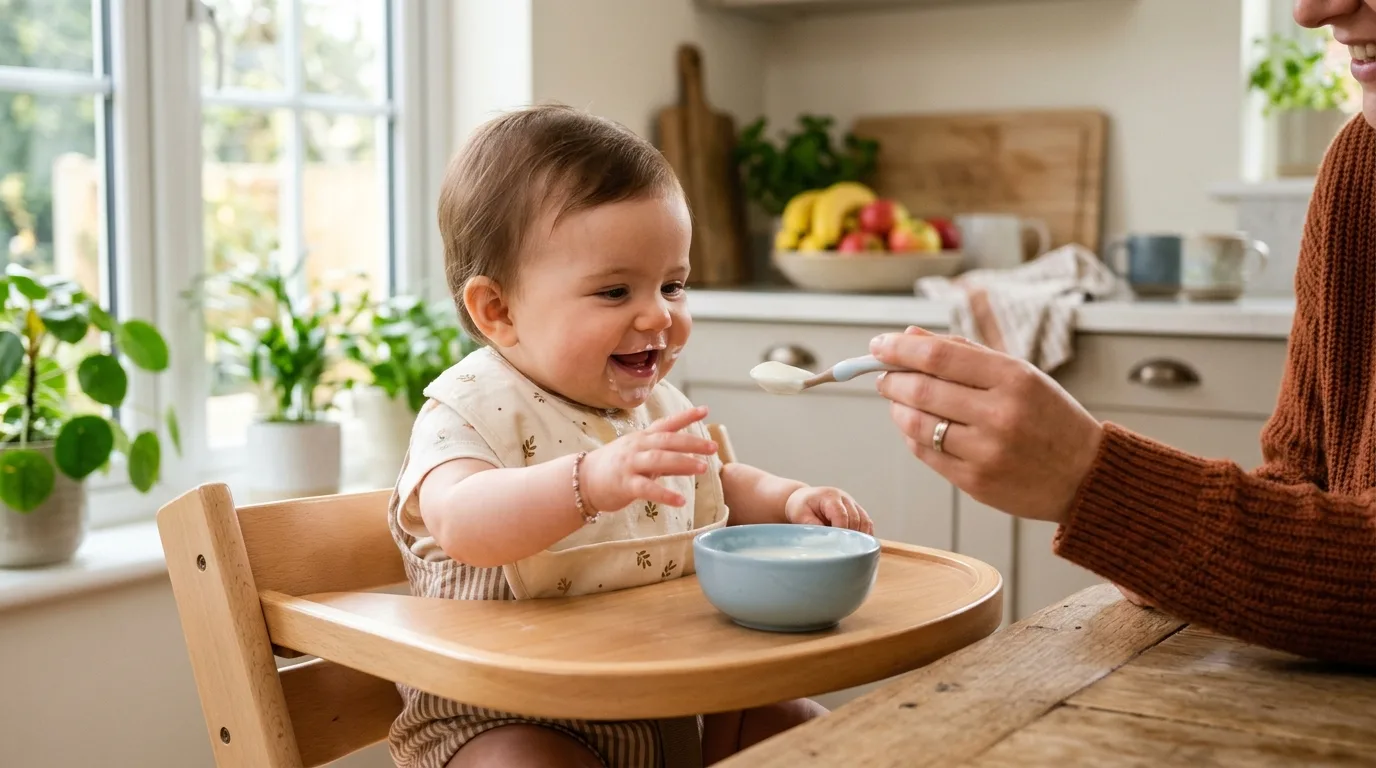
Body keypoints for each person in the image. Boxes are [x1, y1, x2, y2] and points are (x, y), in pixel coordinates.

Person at [870, 0, 1376, 668]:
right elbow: (1300, 486)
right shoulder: (1359, 168)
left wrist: (1095, 483)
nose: (1314, 10)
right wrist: (1159, 541)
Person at [385, 104, 874, 768]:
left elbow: (717, 481)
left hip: (680, 703)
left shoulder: (654, 404)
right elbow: (462, 521)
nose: (659, 314)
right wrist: (589, 482)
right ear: (498, 311)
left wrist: (789, 502)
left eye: (674, 285)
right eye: (615, 291)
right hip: (508, 714)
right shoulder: (469, 409)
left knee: (816, 737)